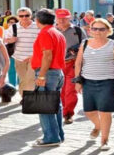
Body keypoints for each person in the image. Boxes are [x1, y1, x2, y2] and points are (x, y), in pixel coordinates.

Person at [74, 18, 114, 150]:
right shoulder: (85, 43)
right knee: (89, 112)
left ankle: (104, 140)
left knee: (105, 111)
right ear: (90, 30)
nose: (97, 31)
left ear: (108, 30)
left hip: (108, 82)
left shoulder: (113, 44)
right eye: (95, 29)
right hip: (88, 81)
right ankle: (98, 126)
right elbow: (78, 63)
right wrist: (77, 81)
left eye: (101, 29)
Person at [31, 8, 66, 147]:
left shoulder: (45, 33)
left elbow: (48, 55)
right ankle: (58, 135)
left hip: (48, 73)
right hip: (57, 72)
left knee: (44, 106)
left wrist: (41, 75)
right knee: (55, 105)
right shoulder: (57, 32)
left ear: (37, 20)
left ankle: (51, 137)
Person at [55, 8, 87, 124]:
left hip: (73, 63)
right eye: (59, 18)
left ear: (69, 18)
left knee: (70, 90)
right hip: (57, 64)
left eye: (65, 18)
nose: (62, 20)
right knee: (60, 90)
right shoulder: (52, 31)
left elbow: (86, 43)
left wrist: (77, 48)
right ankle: (62, 110)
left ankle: (68, 113)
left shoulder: (77, 30)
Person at [5, 7, 39, 100]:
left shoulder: (37, 26)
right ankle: (24, 97)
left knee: (31, 79)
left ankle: (28, 98)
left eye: (27, 15)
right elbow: (4, 40)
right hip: (19, 57)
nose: (24, 18)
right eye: (21, 16)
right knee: (23, 79)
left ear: (31, 16)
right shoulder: (14, 27)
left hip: (34, 58)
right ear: (18, 17)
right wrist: (10, 40)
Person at [5, 16, 19, 86]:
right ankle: (12, 85)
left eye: (13, 23)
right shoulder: (5, 31)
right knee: (11, 70)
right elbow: (4, 41)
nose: (11, 24)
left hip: (19, 53)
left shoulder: (19, 30)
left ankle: (20, 85)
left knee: (20, 71)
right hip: (10, 52)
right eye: (10, 22)